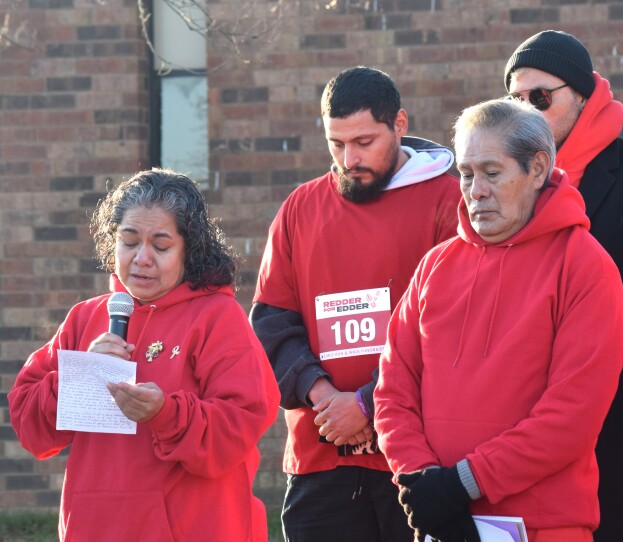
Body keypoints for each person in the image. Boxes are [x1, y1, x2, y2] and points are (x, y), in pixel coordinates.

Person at [374, 98, 623, 542]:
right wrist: (422, 482)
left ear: (537, 168)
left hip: (545, 527)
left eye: (492, 173)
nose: (476, 190)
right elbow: (393, 390)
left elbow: (570, 417)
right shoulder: (436, 265)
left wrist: (461, 484)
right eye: (467, 174)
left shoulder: (585, 267)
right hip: (439, 521)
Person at [8, 168, 280, 541]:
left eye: (161, 245)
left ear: (191, 249)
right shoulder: (87, 317)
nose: (142, 258)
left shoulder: (217, 317)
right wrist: (78, 377)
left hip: (194, 527)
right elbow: (28, 425)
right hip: (94, 527)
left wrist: (165, 414)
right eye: (129, 241)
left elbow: (239, 426)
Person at [249, 66, 461, 542]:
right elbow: (271, 326)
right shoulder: (300, 209)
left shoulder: (449, 202)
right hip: (319, 458)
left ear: (400, 124)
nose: (349, 159)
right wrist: (325, 399)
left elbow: (451, 331)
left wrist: (367, 404)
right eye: (336, 144)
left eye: (364, 142)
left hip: (417, 461)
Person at [504, 29, 623, 542]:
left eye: (540, 97)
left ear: (583, 96)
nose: (525, 110)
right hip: (521, 421)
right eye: (514, 98)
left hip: (619, 419)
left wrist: (569, 384)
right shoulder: (504, 183)